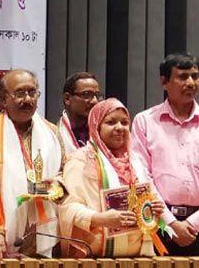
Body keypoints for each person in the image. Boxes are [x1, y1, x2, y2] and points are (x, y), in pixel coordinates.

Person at [59, 98, 167, 257]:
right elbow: (67, 207)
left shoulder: (134, 161)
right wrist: (100, 219)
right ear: (96, 126)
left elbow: (148, 198)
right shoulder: (81, 160)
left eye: (124, 122)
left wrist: (154, 208)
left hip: (137, 258)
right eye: (111, 122)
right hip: (94, 259)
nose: (119, 127)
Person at [0, 69, 65, 258]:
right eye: (20, 93)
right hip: (2, 240)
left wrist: (56, 187)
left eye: (32, 92)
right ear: (3, 99)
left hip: (48, 233)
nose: (27, 99)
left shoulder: (52, 132)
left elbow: (64, 173)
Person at [132, 53, 199, 255]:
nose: (190, 83)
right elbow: (141, 176)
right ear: (164, 82)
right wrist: (170, 223)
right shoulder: (145, 121)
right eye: (183, 77)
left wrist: (193, 223)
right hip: (158, 224)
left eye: (195, 76)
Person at [58, 72, 103, 155]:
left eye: (97, 95)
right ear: (67, 99)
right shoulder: (54, 135)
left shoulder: (103, 131)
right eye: (86, 94)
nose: (95, 101)